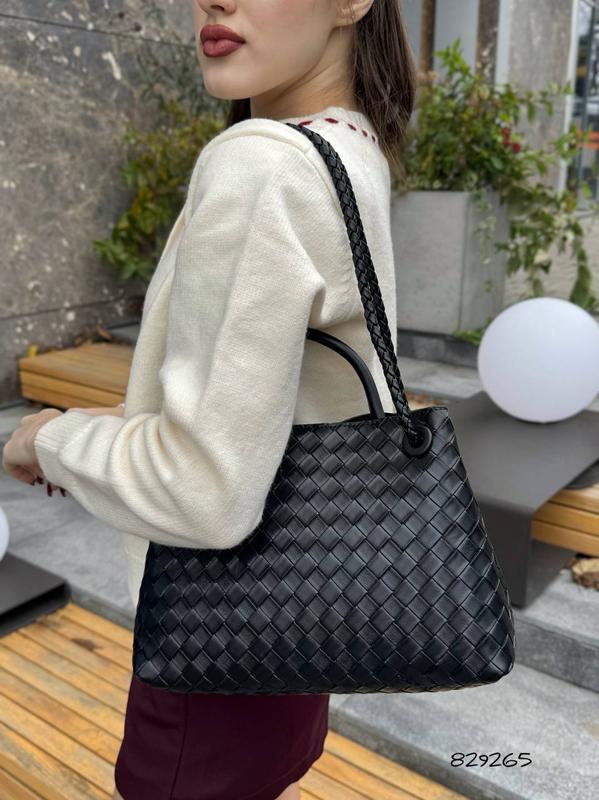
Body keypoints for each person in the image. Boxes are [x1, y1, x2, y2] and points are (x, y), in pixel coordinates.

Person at [3, 0, 416, 797]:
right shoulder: (349, 147)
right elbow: (270, 412)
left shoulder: (263, 164)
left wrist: (45, 440)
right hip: (301, 617)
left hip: (215, 642)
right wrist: (113, 425)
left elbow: (204, 490)